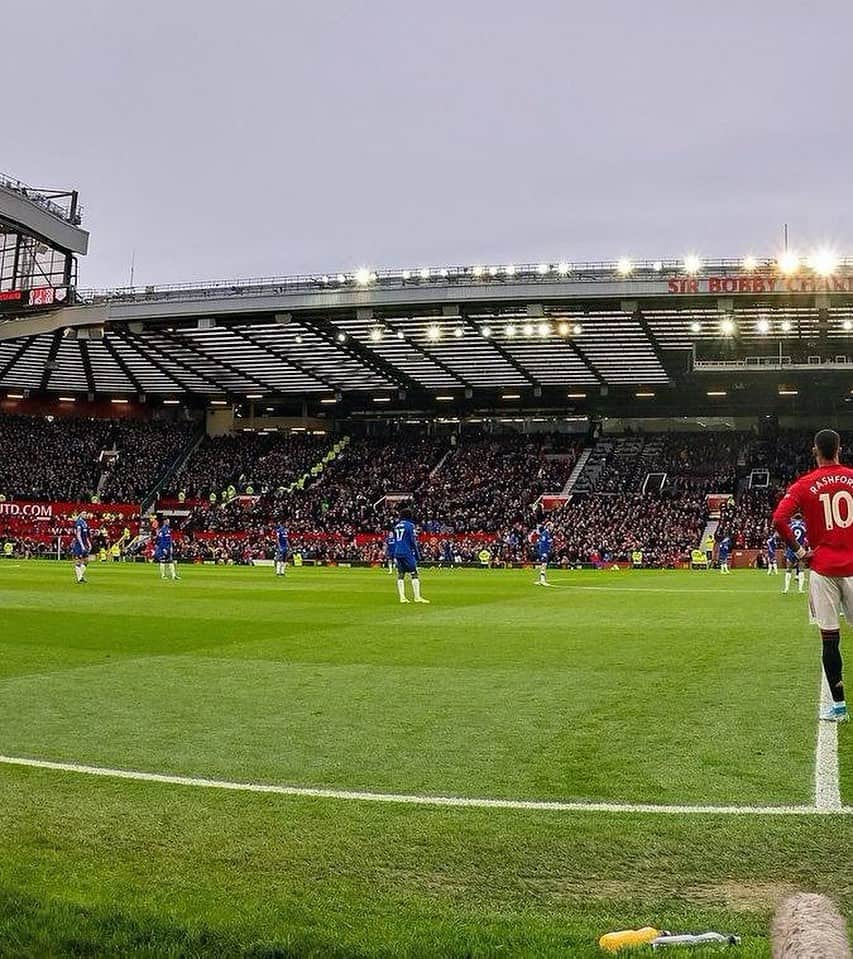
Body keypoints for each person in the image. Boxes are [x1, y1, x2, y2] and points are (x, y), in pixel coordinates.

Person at [773, 429, 848, 722]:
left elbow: (779, 519)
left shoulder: (805, 484)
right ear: (839, 448)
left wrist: (800, 551)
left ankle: (840, 709)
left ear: (814, 450)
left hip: (824, 569)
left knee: (830, 640)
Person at [391, 507, 429, 604]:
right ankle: (417, 597)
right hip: (406, 551)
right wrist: (417, 554)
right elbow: (413, 541)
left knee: (400, 574)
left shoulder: (396, 526)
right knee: (414, 573)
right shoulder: (410, 525)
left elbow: (396, 540)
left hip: (397, 551)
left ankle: (402, 597)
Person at [783, 517, 807, 594]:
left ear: (794, 519)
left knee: (788, 569)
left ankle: (786, 589)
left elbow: (786, 537)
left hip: (792, 548)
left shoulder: (790, 525)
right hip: (800, 548)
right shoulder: (804, 525)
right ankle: (800, 589)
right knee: (801, 569)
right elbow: (806, 538)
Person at [71, 512, 91, 584]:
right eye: (84, 514)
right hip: (79, 544)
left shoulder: (85, 523)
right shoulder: (79, 523)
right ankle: (80, 578)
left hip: (84, 543)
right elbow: (78, 535)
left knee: (86, 561)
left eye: (86, 513)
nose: (86, 515)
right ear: (81, 515)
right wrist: (82, 545)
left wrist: (89, 543)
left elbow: (86, 536)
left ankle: (81, 576)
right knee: (78, 561)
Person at [533, 521, 554, 586]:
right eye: (551, 526)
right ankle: (542, 580)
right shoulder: (545, 533)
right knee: (544, 565)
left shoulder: (547, 533)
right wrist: (543, 552)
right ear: (548, 526)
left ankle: (540, 580)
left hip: (545, 551)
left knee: (543, 565)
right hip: (544, 552)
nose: (552, 528)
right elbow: (542, 544)